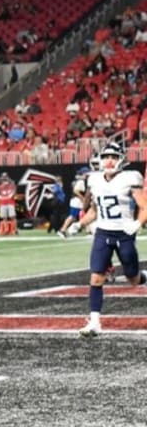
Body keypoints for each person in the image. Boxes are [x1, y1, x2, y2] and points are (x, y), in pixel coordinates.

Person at [76, 139, 147, 336]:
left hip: (124, 234)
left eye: (113, 157)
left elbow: (145, 207)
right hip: (103, 233)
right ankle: (95, 322)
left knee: (133, 278)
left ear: (121, 160)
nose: (108, 161)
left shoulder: (130, 178)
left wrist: (137, 223)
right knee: (96, 277)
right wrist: (79, 224)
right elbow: (94, 211)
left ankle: (144, 277)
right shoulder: (94, 180)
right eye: (106, 157)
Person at [0, 172, 17, 236]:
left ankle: (15, 230)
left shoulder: (12, 185)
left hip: (10, 202)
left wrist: (12, 186)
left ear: (7, 177)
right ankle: (6, 229)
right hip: (2, 203)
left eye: (5, 176)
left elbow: (14, 194)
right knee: (4, 217)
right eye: (3, 177)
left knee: (12, 216)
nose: (4, 178)